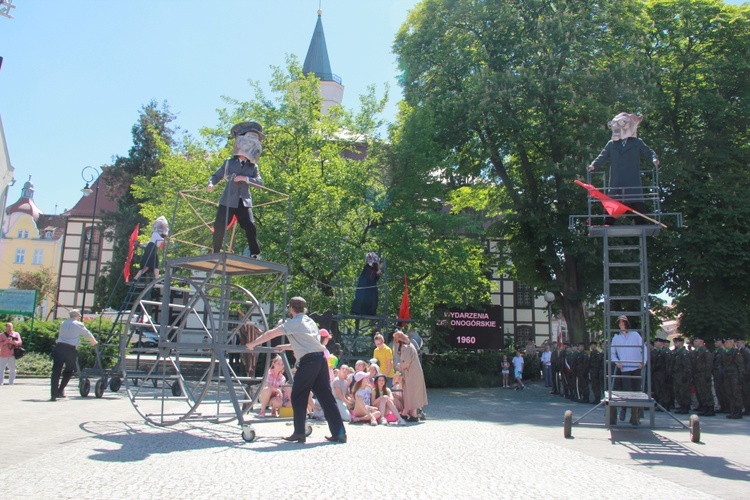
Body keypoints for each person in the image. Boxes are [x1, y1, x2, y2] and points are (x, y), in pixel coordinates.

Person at [245, 296, 346, 443]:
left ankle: (299, 432)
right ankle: (339, 433)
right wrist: (284, 347)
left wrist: (253, 344)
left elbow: (270, 333)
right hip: (320, 360)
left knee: (298, 395)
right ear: (303, 309)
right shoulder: (309, 321)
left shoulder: (294, 322)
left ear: (291, 309)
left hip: (309, 362)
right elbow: (308, 343)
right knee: (326, 397)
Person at [587, 112, 659, 225]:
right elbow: (602, 156)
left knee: (636, 203)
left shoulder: (636, 142)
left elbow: (648, 152)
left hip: (632, 179)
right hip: (617, 180)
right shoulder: (612, 144)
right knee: (614, 203)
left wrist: (654, 159)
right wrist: (594, 165)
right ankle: (608, 223)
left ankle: (641, 222)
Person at [207, 121, 265, 257]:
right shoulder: (229, 163)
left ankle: (254, 252)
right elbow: (217, 175)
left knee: (250, 226)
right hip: (228, 200)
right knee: (220, 226)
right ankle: (215, 250)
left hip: (243, 201)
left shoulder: (253, 167)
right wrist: (211, 183)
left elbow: (260, 183)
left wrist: (246, 179)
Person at [50, 310, 98, 401]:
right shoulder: (79, 324)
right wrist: (94, 342)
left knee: (56, 371)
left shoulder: (63, 323)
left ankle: (53, 393)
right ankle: (60, 390)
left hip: (59, 347)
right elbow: (88, 334)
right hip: (70, 349)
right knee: (68, 371)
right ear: (78, 316)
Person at [610, 315, 643, 423]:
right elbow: (612, 353)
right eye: (620, 323)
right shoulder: (616, 338)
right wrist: (617, 362)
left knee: (637, 391)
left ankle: (636, 415)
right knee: (627, 390)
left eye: (623, 323)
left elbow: (644, 349)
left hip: (636, 366)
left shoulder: (635, 335)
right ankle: (624, 410)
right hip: (625, 368)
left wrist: (643, 362)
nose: (622, 325)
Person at [394, 330, 428, 421]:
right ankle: (412, 414)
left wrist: (399, 365)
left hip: (411, 375)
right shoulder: (410, 345)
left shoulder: (405, 348)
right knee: (413, 394)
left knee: (410, 394)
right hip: (415, 374)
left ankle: (410, 415)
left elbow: (406, 363)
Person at [132, 216, 169, 281]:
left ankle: (136, 278)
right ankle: (157, 278)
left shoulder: (156, 234)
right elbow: (160, 240)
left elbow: (151, 241)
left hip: (151, 248)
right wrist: (168, 241)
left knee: (147, 267)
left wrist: (143, 244)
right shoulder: (155, 234)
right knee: (155, 263)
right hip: (152, 249)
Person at [690, 337, 714, 416]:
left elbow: (709, 363)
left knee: (706, 392)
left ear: (701, 341)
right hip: (697, 375)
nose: (694, 342)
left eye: (696, 341)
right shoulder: (696, 351)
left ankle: (710, 408)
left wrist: (707, 374)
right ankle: (704, 407)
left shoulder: (705, 351)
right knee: (700, 392)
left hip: (703, 374)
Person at [722, 338, 744, 419]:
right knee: (730, 393)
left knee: (736, 394)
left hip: (735, 376)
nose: (725, 344)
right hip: (727, 376)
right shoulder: (725, 352)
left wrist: (741, 377)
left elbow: (740, 365)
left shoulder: (735, 352)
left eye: (727, 342)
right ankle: (733, 411)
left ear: (731, 343)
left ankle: (738, 411)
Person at [671, 336, 692, 414]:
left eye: (677, 342)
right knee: (678, 391)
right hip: (677, 375)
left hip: (682, 375)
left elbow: (687, 365)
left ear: (681, 343)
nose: (675, 344)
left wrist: (686, 375)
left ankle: (685, 407)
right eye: (675, 342)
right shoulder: (677, 352)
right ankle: (681, 406)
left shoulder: (684, 352)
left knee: (684, 392)